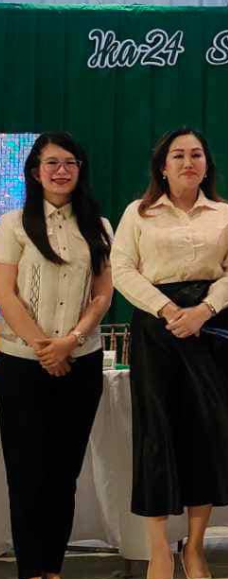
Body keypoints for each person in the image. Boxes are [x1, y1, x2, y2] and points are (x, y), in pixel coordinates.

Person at [112, 127, 228, 579]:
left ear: (208, 164)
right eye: (178, 156)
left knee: (206, 437)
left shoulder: (226, 215)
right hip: (156, 330)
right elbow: (122, 269)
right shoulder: (138, 213)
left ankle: (197, 547)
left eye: (197, 155)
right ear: (162, 167)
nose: (188, 162)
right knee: (157, 434)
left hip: (211, 330)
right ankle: (159, 547)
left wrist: (202, 311)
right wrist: (168, 309)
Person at [0, 132, 113, 579]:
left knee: (64, 474)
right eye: (52, 163)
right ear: (34, 171)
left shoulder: (99, 225)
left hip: (81, 361)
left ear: (80, 169)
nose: (61, 170)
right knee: (27, 474)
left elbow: (103, 294)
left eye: (70, 162)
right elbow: (6, 296)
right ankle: (31, 570)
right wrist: (44, 348)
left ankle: (53, 568)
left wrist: (72, 341)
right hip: (19, 364)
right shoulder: (12, 224)